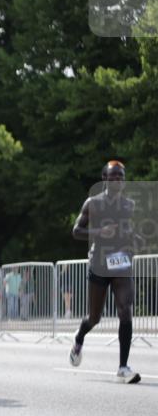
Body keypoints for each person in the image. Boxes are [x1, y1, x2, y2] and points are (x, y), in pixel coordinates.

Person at [69, 160, 142, 384]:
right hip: (100, 262)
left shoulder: (129, 205)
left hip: (120, 261)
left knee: (125, 310)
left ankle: (122, 368)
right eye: (113, 177)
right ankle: (80, 338)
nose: (117, 180)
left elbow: (130, 230)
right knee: (94, 317)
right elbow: (77, 231)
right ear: (105, 179)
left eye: (121, 177)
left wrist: (135, 239)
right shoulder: (92, 203)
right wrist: (101, 231)